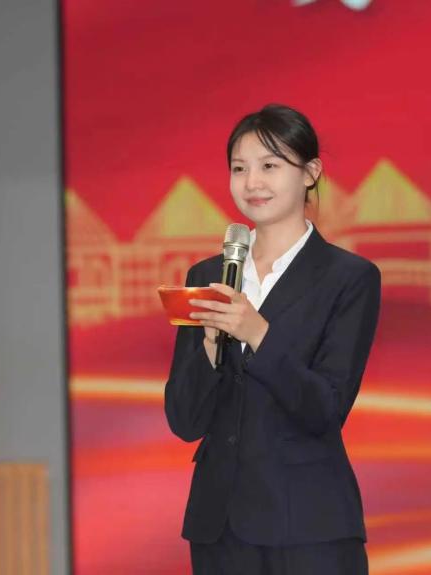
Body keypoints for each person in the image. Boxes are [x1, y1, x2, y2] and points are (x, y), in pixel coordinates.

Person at [164, 104, 380, 574]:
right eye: (239, 169)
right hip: (220, 528)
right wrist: (209, 348)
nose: (252, 183)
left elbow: (325, 408)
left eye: (269, 166)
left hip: (309, 523)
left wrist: (257, 333)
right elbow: (184, 419)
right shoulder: (207, 276)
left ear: (310, 172)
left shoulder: (349, 277)